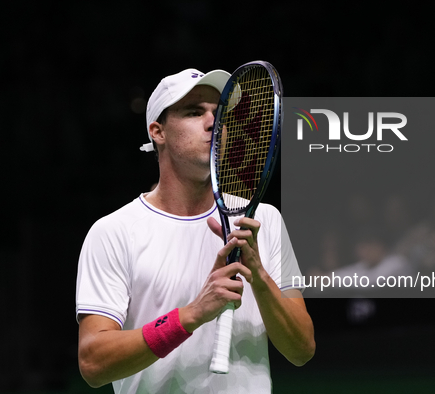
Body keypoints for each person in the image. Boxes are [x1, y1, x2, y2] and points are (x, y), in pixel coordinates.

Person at [76, 68, 315, 393]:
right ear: (157, 131)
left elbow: (302, 350)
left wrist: (258, 276)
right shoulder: (114, 232)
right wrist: (190, 315)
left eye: (220, 114)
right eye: (193, 112)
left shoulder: (263, 221)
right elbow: (93, 364)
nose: (212, 123)